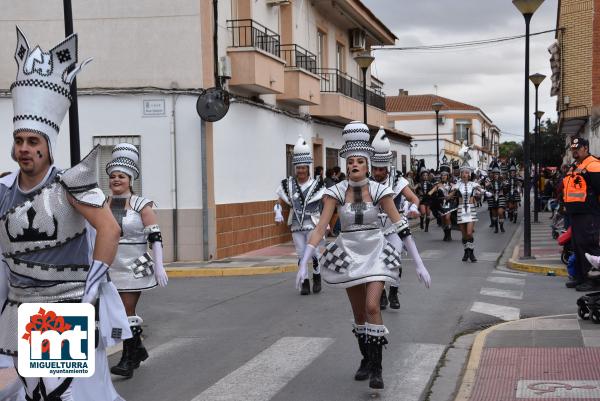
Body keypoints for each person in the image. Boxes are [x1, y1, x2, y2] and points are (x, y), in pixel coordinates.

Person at [0, 27, 129, 400]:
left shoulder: (70, 183)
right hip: (19, 308)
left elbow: (109, 230)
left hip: (62, 309)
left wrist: (92, 288)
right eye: (19, 141)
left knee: (62, 396)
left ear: (49, 146)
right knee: (29, 392)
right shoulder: (4, 189)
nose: (25, 149)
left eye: (33, 142)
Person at [295, 121, 431, 390]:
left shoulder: (381, 191)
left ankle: (378, 369)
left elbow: (400, 226)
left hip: (376, 252)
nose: (354, 165)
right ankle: (366, 359)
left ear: (368, 164)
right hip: (348, 254)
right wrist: (303, 264)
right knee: (359, 315)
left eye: (359, 161)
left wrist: (418, 263)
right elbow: (321, 226)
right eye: (350, 161)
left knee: (372, 307)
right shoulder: (334, 192)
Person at [106, 143, 169, 378]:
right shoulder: (103, 204)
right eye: (113, 176)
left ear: (130, 179)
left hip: (136, 262)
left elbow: (155, 236)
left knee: (126, 310)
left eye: (121, 176)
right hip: (110, 264)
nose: (116, 180)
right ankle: (138, 350)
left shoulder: (143, 204)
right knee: (113, 313)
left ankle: (127, 358)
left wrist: (160, 264)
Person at [370, 128, 426, 311]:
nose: (377, 172)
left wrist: (413, 207)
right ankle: (382, 294)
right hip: (375, 229)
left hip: (394, 227)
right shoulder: (367, 182)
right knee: (377, 263)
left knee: (394, 261)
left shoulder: (397, 181)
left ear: (387, 167)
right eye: (375, 169)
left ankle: (393, 291)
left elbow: (414, 198)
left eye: (380, 169)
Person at [276, 136, 325, 295]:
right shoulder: (287, 184)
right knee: (301, 253)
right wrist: (277, 210)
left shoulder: (317, 185)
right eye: (298, 168)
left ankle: (317, 277)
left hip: (313, 223)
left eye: (303, 168)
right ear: (295, 168)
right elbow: (280, 200)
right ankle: (304, 280)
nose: (301, 171)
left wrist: (326, 222)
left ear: (308, 168)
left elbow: (325, 203)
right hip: (296, 224)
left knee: (314, 252)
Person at [562, 137, 600, 291]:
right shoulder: (575, 166)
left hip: (589, 214)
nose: (574, 150)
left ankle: (594, 280)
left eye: (577, 148)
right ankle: (581, 277)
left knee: (589, 245)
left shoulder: (594, 165)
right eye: (573, 148)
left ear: (586, 148)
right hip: (576, 214)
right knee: (577, 245)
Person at [449, 155, 483, 262]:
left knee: (469, 233)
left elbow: (481, 191)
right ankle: (466, 252)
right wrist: (447, 193)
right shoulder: (457, 185)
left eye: (467, 173)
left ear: (469, 174)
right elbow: (450, 195)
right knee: (464, 235)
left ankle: (471, 252)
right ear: (461, 174)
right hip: (460, 210)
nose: (465, 174)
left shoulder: (473, 184)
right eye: (463, 172)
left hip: (470, 210)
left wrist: (481, 192)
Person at [429, 157, 456, 241]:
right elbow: (432, 191)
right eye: (442, 175)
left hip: (449, 203)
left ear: (448, 176)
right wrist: (430, 192)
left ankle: (449, 234)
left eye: (445, 175)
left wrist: (450, 195)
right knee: (443, 219)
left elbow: (454, 191)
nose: (443, 176)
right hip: (441, 204)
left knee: (447, 217)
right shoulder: (438, 185)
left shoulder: (451, 184)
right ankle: (446, 233)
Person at [486, 159, 507, 233]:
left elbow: (506, 188)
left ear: (499, 174)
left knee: (500, 212)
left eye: (497, 174)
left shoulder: (502, 182)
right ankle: (496, 228)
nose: (495, 175)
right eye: (494, 174)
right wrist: (487, 187)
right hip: (492, 199)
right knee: (494, 215)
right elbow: (486, 189)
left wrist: (505, 186)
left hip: (500, 198)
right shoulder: (489, 182)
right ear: (492, 174)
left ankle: (501, 226)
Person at [415, 162, 433, 232]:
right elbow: (414, 189)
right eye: (424, 175)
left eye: (426, 175)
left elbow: (433, 192)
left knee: (428, 214)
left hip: (428, 200)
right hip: (422, 200)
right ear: (421, 176)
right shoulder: (419, 184)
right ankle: (422, 222)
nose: (425, 176)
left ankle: (427, 227)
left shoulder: (430, 184)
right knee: (423, 212)